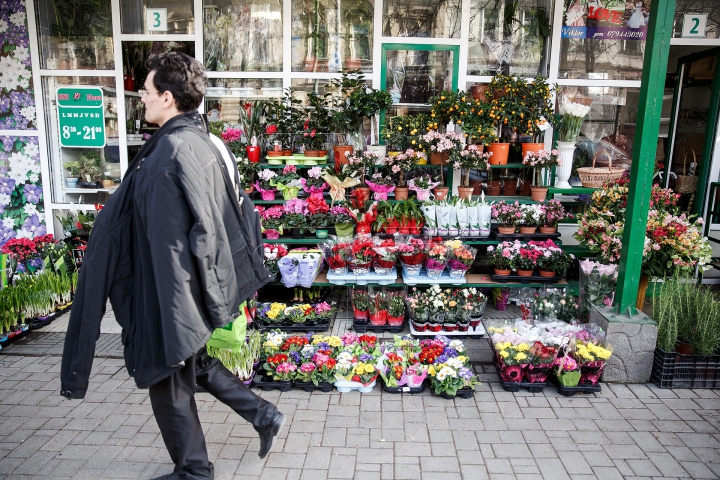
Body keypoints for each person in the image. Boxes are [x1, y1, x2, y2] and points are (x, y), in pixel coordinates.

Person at [60, 52, 284, 480]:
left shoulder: (169, 155)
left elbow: (170, 246)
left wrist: (170, 315)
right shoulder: (195, 141)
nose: (140, 97)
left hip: (171, 293)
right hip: (191, 288)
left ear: (166, 97)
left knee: (168, 381)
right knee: (194, 365)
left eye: (145, 91)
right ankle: (263, 414)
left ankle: (194, 471)